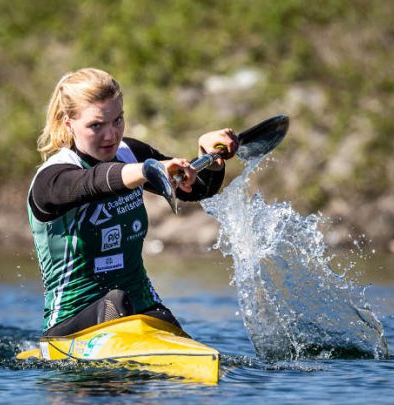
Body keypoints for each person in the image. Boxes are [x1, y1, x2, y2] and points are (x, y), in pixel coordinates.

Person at [28, 68, 238, 336]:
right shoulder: (53, 179)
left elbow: (196, 190)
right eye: (96, 125)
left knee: (135, 309)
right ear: (69, 123)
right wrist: (147, 169)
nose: (111, 135)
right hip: (73, 323)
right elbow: (93, 181)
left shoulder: (129, 154)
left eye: (118, 120)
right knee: (115, 300)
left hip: (145, 309)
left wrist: (210, 156)